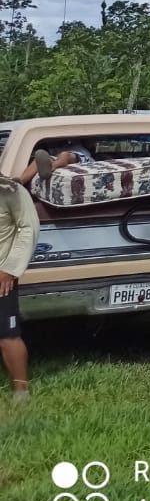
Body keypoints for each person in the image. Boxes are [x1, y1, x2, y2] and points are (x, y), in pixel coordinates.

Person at [0, 166, 39, 400]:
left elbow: (28, 228)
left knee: (7, 335)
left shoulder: (11, 191)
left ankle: (21, 392)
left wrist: (10, 269)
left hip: (2, 276)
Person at [18, 139, 95, 187]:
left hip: (82, 157)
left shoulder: (76, 145)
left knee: (65, 155)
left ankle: (52, 167)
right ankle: (19, 183)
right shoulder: (54, 149)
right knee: (39, 161)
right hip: (58, 157)